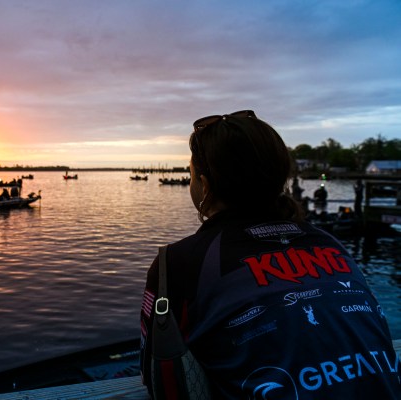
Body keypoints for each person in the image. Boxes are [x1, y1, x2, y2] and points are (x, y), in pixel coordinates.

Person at [139, 110, 399, 399]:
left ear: (205, 185)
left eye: (191, 176)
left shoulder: (177, 264)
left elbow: (157, 376)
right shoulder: (330, 243)